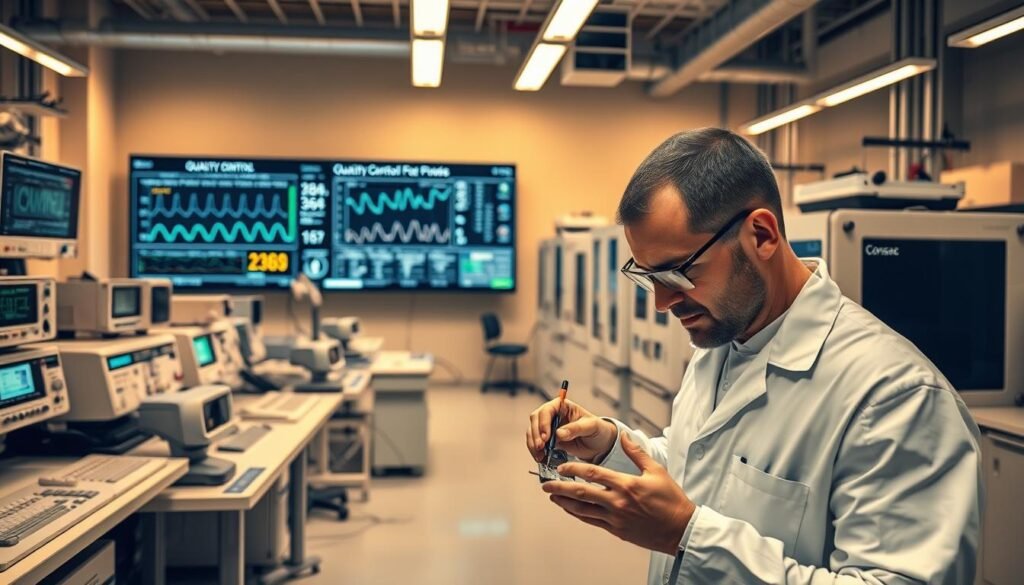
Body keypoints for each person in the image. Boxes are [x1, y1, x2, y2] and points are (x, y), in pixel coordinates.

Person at [526, 128, 982, 584]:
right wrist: (611, 445)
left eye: (679, 274)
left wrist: (688, 537)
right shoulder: (725, 338)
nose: (663, 303)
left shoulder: (895, 398)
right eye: (649, 278)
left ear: (761, 235)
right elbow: (700, 468)